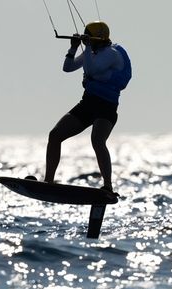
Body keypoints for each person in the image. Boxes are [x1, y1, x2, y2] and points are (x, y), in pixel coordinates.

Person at [42, 21, 131, 195]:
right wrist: (73, 48)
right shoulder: (91, 52)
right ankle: (49, 180)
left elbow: (91, 70)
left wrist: (88, 46)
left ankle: (107, 185)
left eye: (88, 37)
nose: (85, 42)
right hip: (88, 104)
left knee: (97, 141)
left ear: (99, 38)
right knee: (55, 135)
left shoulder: (111, 54)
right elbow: (67, 68)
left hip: (106, 107)